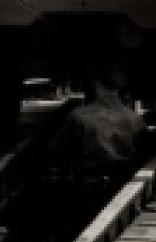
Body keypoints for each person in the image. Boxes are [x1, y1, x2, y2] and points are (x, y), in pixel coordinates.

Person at [49, 58, 146, 205]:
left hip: (87, 186)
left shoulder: (79, 116)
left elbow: (57, 151)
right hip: (123, 186)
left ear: (95, 83)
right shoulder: (135, 119)